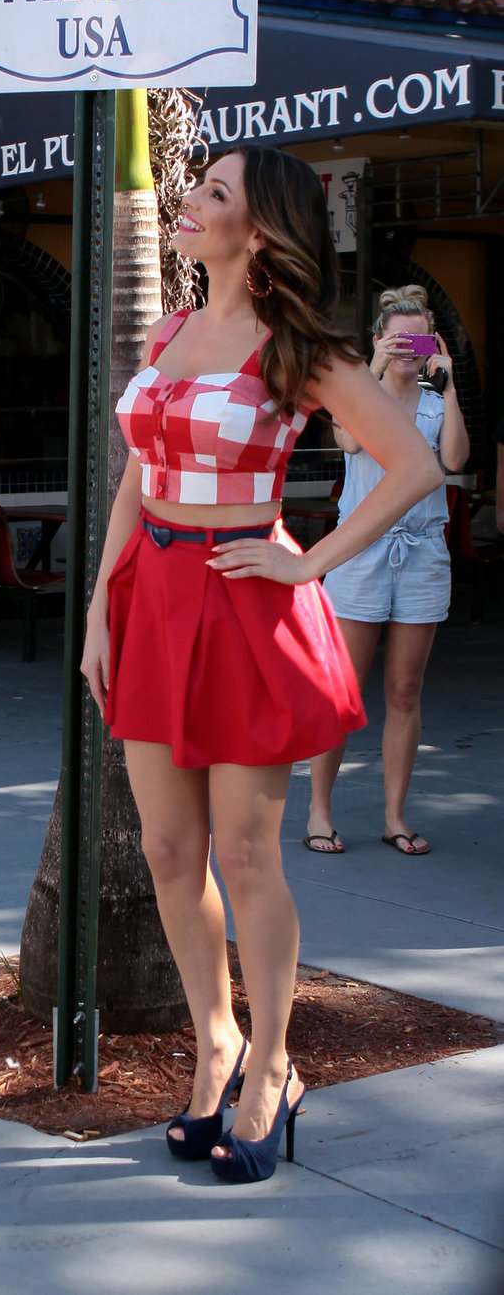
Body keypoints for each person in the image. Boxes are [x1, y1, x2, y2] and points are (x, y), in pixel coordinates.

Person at [81, 147, 441, 1185]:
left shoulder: (298, 350)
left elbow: (415, 464)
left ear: (262, 229)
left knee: (245, 854)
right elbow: (134, 484)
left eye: (214, 194)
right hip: (152, 595)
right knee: (162, 844)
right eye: (195, 190)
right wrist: (104, 611)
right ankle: (218, 1044)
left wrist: (309, 562)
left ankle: (273, 1061)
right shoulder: (171, 332)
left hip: (246, 599)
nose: (189, 204)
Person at [306, 287, 469, 857]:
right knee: (342, 689)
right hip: (361, 554)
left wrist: (447, 388)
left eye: (418, 339)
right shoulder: (362, 397)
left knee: (404, 691)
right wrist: (373, 370)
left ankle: (395, 816)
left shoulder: (432, 399)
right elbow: (349, 439)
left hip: (422, 554)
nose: (408, 350)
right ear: (378, 341)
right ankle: (319, 811)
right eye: (397, 338)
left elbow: (454, 459)